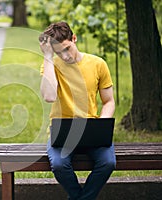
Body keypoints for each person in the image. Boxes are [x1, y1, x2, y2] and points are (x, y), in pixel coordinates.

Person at [39, 21, 116, 200]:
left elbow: (109, 101)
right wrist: (48, 57)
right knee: (59, 165)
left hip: (91, 128)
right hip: (63, 132)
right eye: (59, 52)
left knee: (108, 163)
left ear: (74, 38)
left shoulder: (98, 64)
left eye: (67, 48)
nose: (64, 56)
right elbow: (49, 96)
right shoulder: (52, 65)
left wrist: (102, 123)